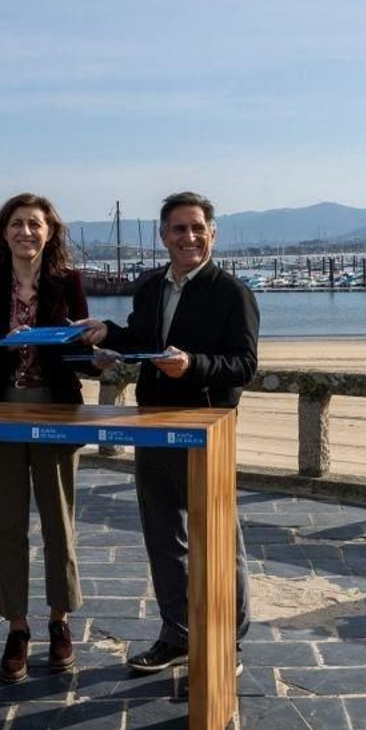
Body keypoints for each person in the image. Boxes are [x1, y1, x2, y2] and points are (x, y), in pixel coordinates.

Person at [76, 191, 257, 673]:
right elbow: (141, 340)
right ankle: (176, 633)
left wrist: (192, 366)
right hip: (152, 423)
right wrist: (108, 335)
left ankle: (229, 639)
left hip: (206, 428)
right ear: (163, 236)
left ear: (212, 233)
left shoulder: (231, 293)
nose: (189, 237)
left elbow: (244, 365)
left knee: (217, 538)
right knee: (163, 535)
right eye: (179, 229)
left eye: (198, 228)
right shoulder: (151, 287)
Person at [0, 193, 92, 683]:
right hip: (1, 407)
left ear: (49, 232)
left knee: (60, 520)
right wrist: (9, 343)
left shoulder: (69, 283)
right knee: (8, 523)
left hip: (56, 408)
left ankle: (60, 620)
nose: (26, 232)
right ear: (3, 232)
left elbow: (80, 350)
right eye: (16, 223)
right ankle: (17, 625)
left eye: (34, 224)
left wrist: (89, 350)